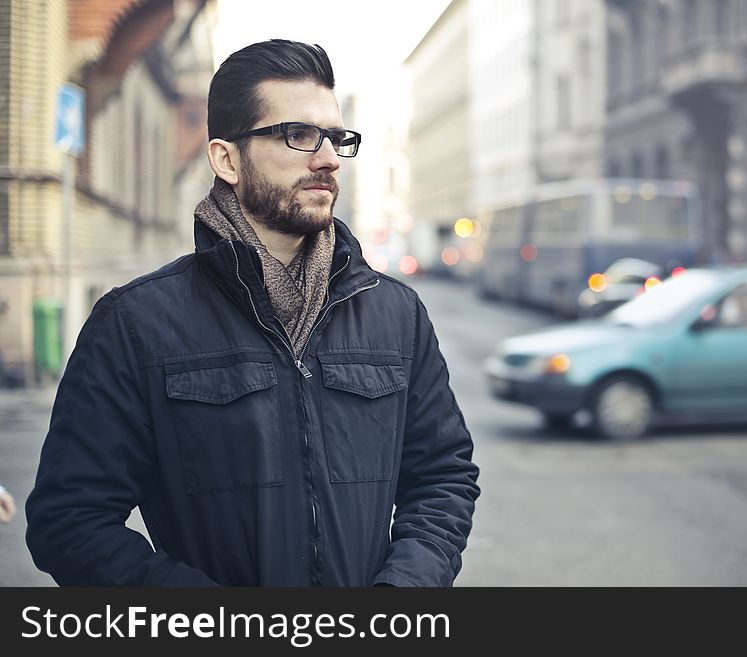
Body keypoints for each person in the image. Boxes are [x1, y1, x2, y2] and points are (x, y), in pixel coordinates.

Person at [26, 40, 479, 586]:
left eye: (336, 138)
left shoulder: (396, 314)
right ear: (226, 159)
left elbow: (442, 477)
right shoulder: (135, 323)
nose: (329, 159)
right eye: (299, 135)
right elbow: (70, 521)